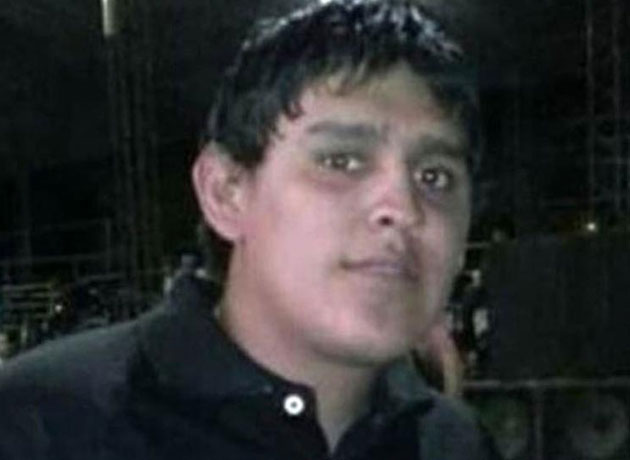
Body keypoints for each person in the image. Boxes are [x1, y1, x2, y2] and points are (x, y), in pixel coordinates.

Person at [0, 1, 496, 458]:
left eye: (435, 176)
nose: (403, 208)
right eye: (341, 161)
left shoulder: (455, 444)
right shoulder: (45, 424)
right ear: (226, 192)